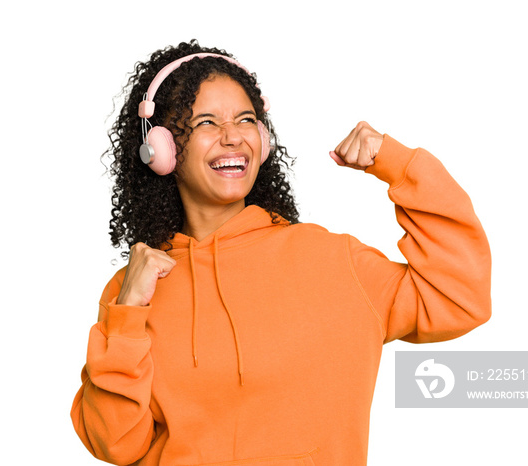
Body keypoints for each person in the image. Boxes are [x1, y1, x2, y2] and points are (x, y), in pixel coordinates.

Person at [70, 39, 491, 466]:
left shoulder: (333, 261)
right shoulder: (132, 289)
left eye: (246, 119)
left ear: (264, 139)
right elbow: (116, 444)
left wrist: (401, 167)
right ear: (161, 148)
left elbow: (459, 298)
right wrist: (126, 317)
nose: (232, 136)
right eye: (206, 123)